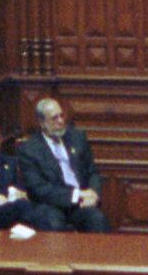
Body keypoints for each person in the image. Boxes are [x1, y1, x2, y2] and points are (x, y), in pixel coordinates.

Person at [16, 97, 104, 230]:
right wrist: (76, 195)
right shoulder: (29, 149)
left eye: (61, 116)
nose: (61, 121)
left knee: (96, 219)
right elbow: (38, 189)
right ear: (42, 122)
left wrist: (93, 193)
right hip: (51, 206)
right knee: (52, 224)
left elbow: (93, 172)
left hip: (81, 203)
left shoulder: (77, 137)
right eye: (54, 118)